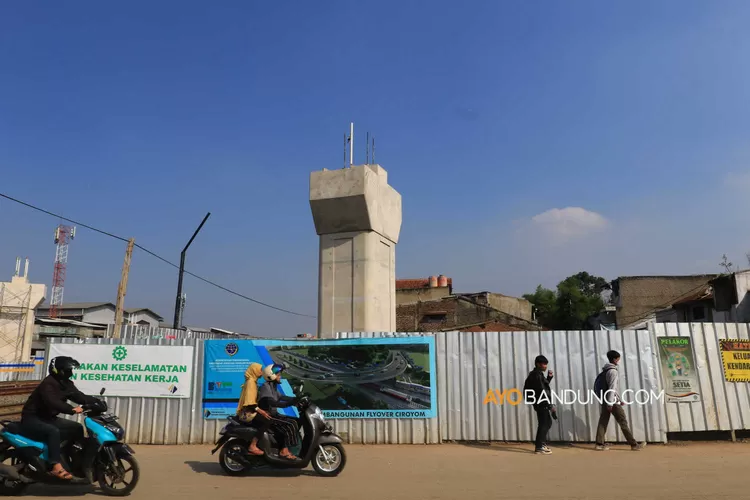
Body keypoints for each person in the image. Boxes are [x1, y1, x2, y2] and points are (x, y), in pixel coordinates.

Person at [20, 356, 98, 480]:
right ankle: (55, 465)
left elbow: (79, 397)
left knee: (77, 428)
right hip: (33, 418)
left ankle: (75, 462)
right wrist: (71, 409)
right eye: (67, 370)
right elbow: (53, 402)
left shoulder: (66, 383)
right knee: (53, 431)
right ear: (58, 371)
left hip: (48, 418)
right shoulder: (48, 384)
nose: (70, 373)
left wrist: (97, 402)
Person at [594, 350, 646, 451]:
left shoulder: (605, 371)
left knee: (603, 421)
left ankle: (599, 444)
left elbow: (610, 388)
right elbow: (612, 388)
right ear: (614, 359)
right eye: (618, 358)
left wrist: (617, 399)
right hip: (611, 402)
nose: (619, 360)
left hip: (606, 400)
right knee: (623, 421)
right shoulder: (613, 371)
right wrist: (611, 402)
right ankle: (634, 444)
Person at [257, 363, 300, 460]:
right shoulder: (265, 386)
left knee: (295, 420)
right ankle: (286, 450)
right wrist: (287, 404)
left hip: (274, 415)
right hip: (268, 416)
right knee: (291, 424)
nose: (280, 376)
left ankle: (284, 448)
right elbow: (271, 402)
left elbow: (282, 397)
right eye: (278, 374)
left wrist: (296, 399)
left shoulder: (273, 386)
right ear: (271, 375)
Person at [235, 362, 272, 456]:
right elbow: (250, 404)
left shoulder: (252, 381)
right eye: (259, 369)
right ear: (254, 371)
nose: (261, 371)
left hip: (249, 411)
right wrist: (262, 412)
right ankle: (253, 445)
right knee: (267, 420)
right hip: (247, 413)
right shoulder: (251, 382)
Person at [523, 355, 556, 455]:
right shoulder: (537, 375)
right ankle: (539, 447)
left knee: (547, 422)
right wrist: (550, 406)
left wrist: (549, 379)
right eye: (544, 364)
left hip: (540, 401)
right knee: (544, 423)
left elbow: (543, 386)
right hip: (541, 402)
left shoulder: (537, 374)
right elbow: (542, 390)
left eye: (546, 364)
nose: (545, 366)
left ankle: (541, 444)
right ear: (538, 364)